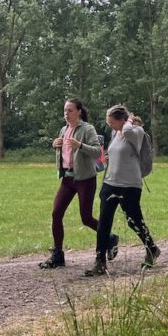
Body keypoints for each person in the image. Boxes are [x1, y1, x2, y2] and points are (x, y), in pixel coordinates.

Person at [39, 97, 118, 270]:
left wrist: (80, 145)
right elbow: (65, 153)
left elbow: (97, 152)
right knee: (56, 213)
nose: (66, 114)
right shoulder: (64, 129)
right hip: (67, 179)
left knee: (86, 218)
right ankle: (58, 255)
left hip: (85, 179)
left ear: (79, 112)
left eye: (70, 110)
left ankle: (110, 238)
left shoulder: (87, 129)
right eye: (65, 111)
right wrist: (55, 145)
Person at [84, 105, 160, 276]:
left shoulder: (136, 132)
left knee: (134, 221)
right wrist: (110, 158)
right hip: (110, 183)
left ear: (122, 120)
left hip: (130, 185)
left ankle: (152, 248)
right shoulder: (115, 133)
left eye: (112, 122)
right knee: (104, 223)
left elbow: (127, 131)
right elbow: (118, 151)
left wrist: (130, 120)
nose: (110, 125)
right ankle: (100, 262)